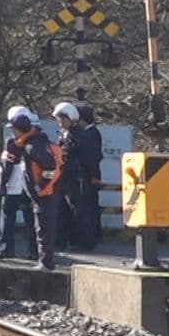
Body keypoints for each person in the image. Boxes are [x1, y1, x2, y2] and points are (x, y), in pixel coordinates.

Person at [2, 107, 64, 270]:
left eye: (13, 130)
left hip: (45, 195)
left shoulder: (33, 146)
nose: (12, 133)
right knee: (41, 228)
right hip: (42, 195)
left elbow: (49, 168)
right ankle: (44, 261)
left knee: (44, 229)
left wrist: (39, 189)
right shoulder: (30, 144)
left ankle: (46, 262)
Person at [52, 101, 104, 252]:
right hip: (66, 178)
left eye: (62, 118)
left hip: (78, 177)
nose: (60, 122)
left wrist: (94, 175)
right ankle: (66, 240)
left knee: (81, 210)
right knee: (65, 210)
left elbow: (90, 157)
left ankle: (85, 242)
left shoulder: (80, 135)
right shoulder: (66, 134)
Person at [0, 109, 37, 262]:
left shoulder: (12, 143)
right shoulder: (37, 140)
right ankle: (34, 251)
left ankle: (6, 249)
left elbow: (7, 165)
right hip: (29, 186)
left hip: (14, 185)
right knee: (31, 219)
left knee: (8, 216)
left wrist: (3, 185)